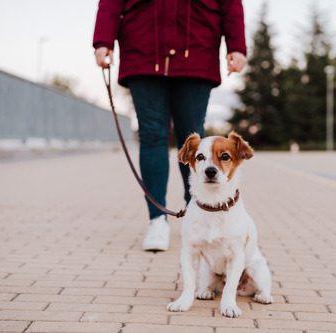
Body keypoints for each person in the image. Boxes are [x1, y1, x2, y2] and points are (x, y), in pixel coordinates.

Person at [93, 0, 247, 251]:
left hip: (196, 50)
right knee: (152, 135)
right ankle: (157, 221)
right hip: (143, 51)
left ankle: (199, 214)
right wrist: (103, 40)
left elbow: (231, 4)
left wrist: (237, 45)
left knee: (192, 137)